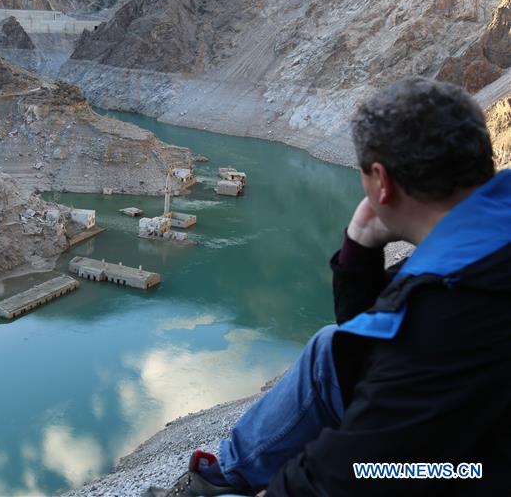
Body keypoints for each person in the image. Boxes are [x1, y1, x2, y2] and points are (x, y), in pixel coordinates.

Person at [154, 78, 511, 496]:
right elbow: (368, 340)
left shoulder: (447, 312)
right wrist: (359, 249)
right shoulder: (482, 245)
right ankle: (219, 479)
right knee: (333, 349)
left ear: (382, 181)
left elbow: (352, 471)